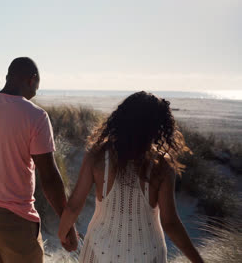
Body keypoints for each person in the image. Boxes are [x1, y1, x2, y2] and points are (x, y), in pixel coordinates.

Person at [0, 57, 78, 263]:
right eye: (37, 86)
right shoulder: (36, 116)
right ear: (32, 80)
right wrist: (67, 223)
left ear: (7, 78)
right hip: (15, 221)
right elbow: (49, 177)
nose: (36, 92)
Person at [58, 92, 204, 263]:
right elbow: (170, 223)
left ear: (121, 119)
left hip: (100, 251)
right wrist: (197, 260)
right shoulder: (161, 166)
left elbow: (74, 205)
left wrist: (63, 235)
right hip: (147, 253)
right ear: (157, 127)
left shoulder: (97, 156)